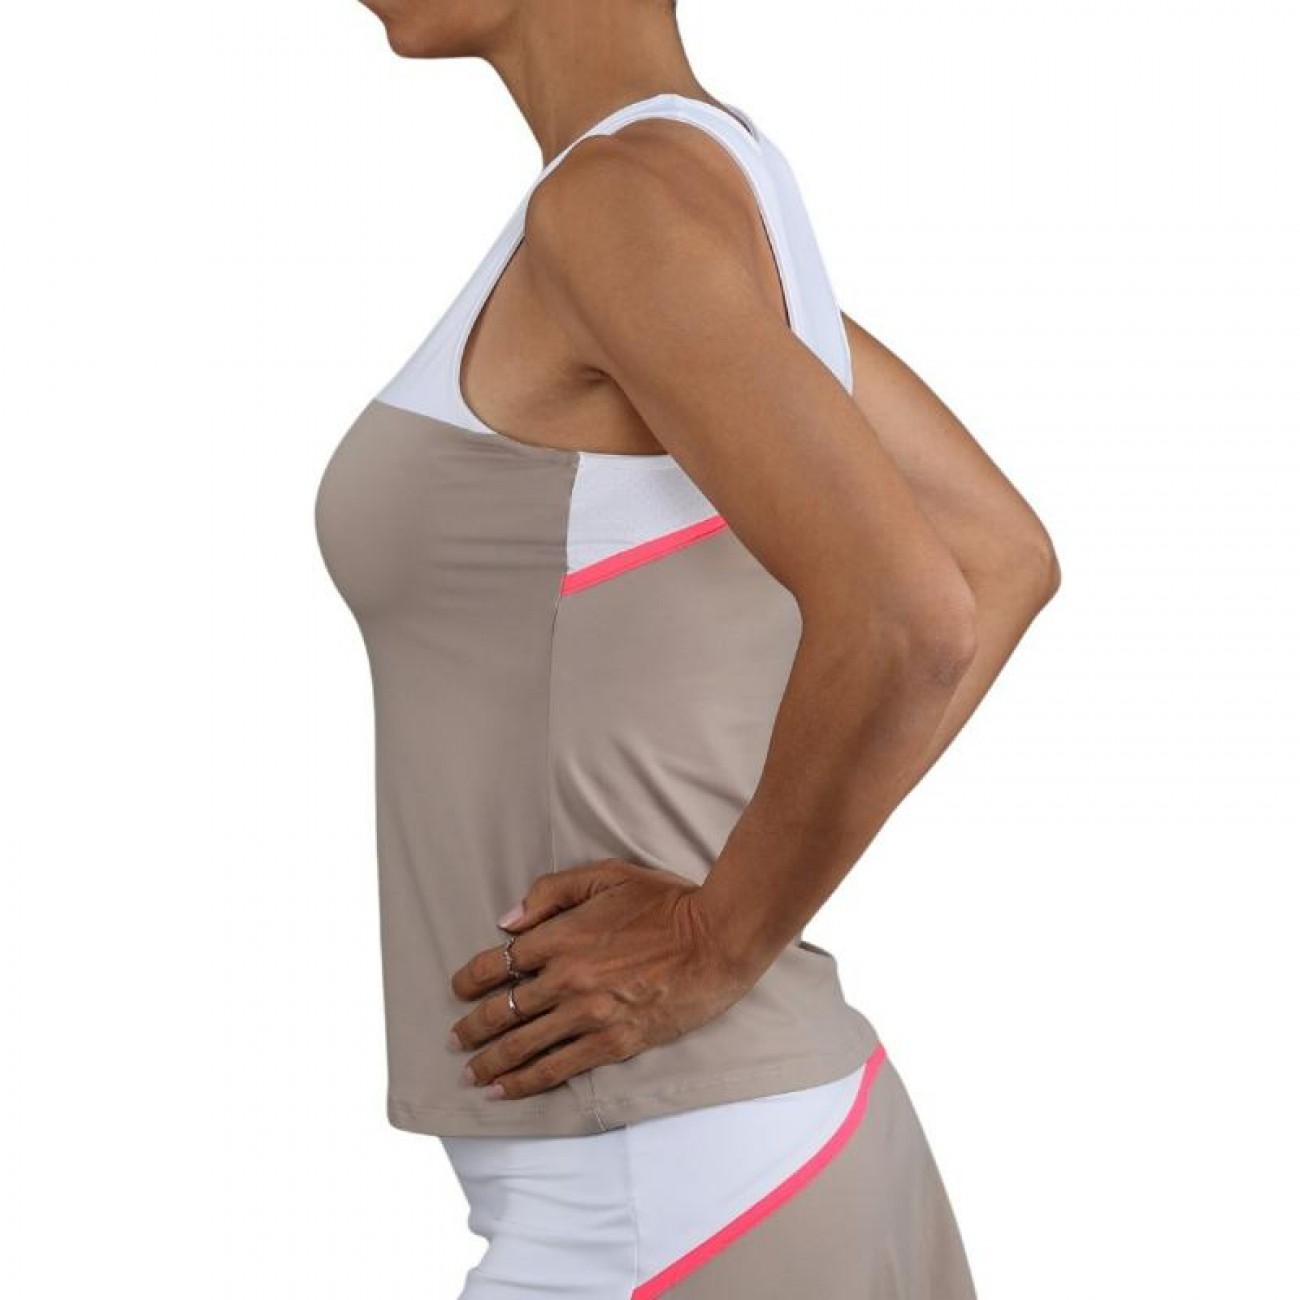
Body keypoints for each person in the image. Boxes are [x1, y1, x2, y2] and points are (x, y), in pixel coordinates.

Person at [314, 0, 1059, 1294]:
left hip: (667, 1188)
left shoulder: (622, 202)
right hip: (711, 1161)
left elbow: (917, 610)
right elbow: (996, 554)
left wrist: (719, 939)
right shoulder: (684, 188)